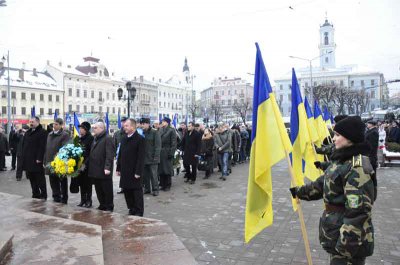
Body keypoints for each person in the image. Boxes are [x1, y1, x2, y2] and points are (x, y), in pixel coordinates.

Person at [290, 116, 374, 265]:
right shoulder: (341, 160)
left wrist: (345, 247)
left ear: (350, 138)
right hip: (337, 232)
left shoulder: (357, 166)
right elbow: (323, 183)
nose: (333, 139)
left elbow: (358, 212)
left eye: (337, 135)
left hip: (348, 241)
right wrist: (300, 191)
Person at [116, 118, 145, 216]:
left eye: (126, 126)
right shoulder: (124, 138)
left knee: (136, 192)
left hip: (134, 171)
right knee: (127, 191)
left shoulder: (140, 139)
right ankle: (131, 208)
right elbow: (120, 154)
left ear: (133, 126)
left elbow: (141, 157)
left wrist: (138, 172)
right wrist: (118, 168)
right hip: (125, 170)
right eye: (124, 126)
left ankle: (139, 211)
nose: (124, 127)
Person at [88, 122, 115, 211]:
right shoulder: (96, 138)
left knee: (106, 189)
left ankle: (109, 206)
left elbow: (110, 154)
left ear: (101, 128)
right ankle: (102, 204)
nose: (93, 129)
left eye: (95, 128)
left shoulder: (108, 138)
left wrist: (107, 167)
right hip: (95, 168)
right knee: (98, 188)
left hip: (103, 169)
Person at [44, 118, 70, 204]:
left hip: (60, 163)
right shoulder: (49, 134)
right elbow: (46, 148)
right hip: (50, 161)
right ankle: (56, 196)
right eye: (53, 124)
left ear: (61, 125)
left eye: (56, 124)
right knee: (52, 180)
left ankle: (64, 198)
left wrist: (60, 160)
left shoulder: (64, 135)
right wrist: (45, 160)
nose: (54, 126)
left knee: (62, 181)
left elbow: (65, 149)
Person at [22, 117, 48, 200]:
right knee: (31, 178)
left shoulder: (42, 132)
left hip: (37, 160)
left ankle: (43, 194)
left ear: (38, 122)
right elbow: (24, 145)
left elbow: (42, 146)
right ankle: (35, 193)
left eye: (32, 122)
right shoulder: (28, 132)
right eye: (30, 122)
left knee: (40, 179)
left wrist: (40, 158)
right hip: (28, 160)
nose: (31, 123)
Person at [140, 118, 161, 196]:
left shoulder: (155, 132)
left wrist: (156, 157)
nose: (142, 125)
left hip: (153, 158)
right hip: (144, 158)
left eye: (143, 124)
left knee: (153, 174)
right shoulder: (142, 133)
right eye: (141, 124)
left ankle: (155, 189)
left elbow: (158, 146)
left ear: (148, 124)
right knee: (145, 175)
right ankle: (147, 189)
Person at [76, 122, 94, 207]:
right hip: (79, 165)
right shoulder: (79, 138)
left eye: (82, 128)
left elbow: (91, 153)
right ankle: (82, 200)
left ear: (86, 129)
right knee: (81, 183)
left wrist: (84, 164)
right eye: (80, 128)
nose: (80, 130)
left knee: (87, 184)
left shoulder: (91, 138)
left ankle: (89, 201)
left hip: (87, 166)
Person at [158, 117, 177, 191]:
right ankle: (162, 184)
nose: (162, 122)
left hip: (167, 151)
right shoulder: (160, 129)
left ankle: (168, 184)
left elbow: (174, 143)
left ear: (167, 122)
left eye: (163, 121)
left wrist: (171, 153)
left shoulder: (171, 130)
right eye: (162, 121)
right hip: (160, 151)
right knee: (161, 169)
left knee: (167, 169)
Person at [365, 120, 379, 201]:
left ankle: (373, 191)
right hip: (369, 155)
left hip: (371, 157)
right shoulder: (370, 131)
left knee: (372, 174)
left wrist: (370, 156)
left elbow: (373, 147)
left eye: (368, 123)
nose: (367, 124)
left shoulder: (374, 132)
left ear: (372, 124)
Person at [113, 116, 127, 194]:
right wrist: (115, 155)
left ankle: (128, 188)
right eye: (122, 122)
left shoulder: (130, 132)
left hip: (128, 156)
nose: (123, 123)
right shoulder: (117, 133)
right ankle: (122, 188)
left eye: (124, 121)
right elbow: (114, 144)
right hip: (120, 156)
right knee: (121, 172)